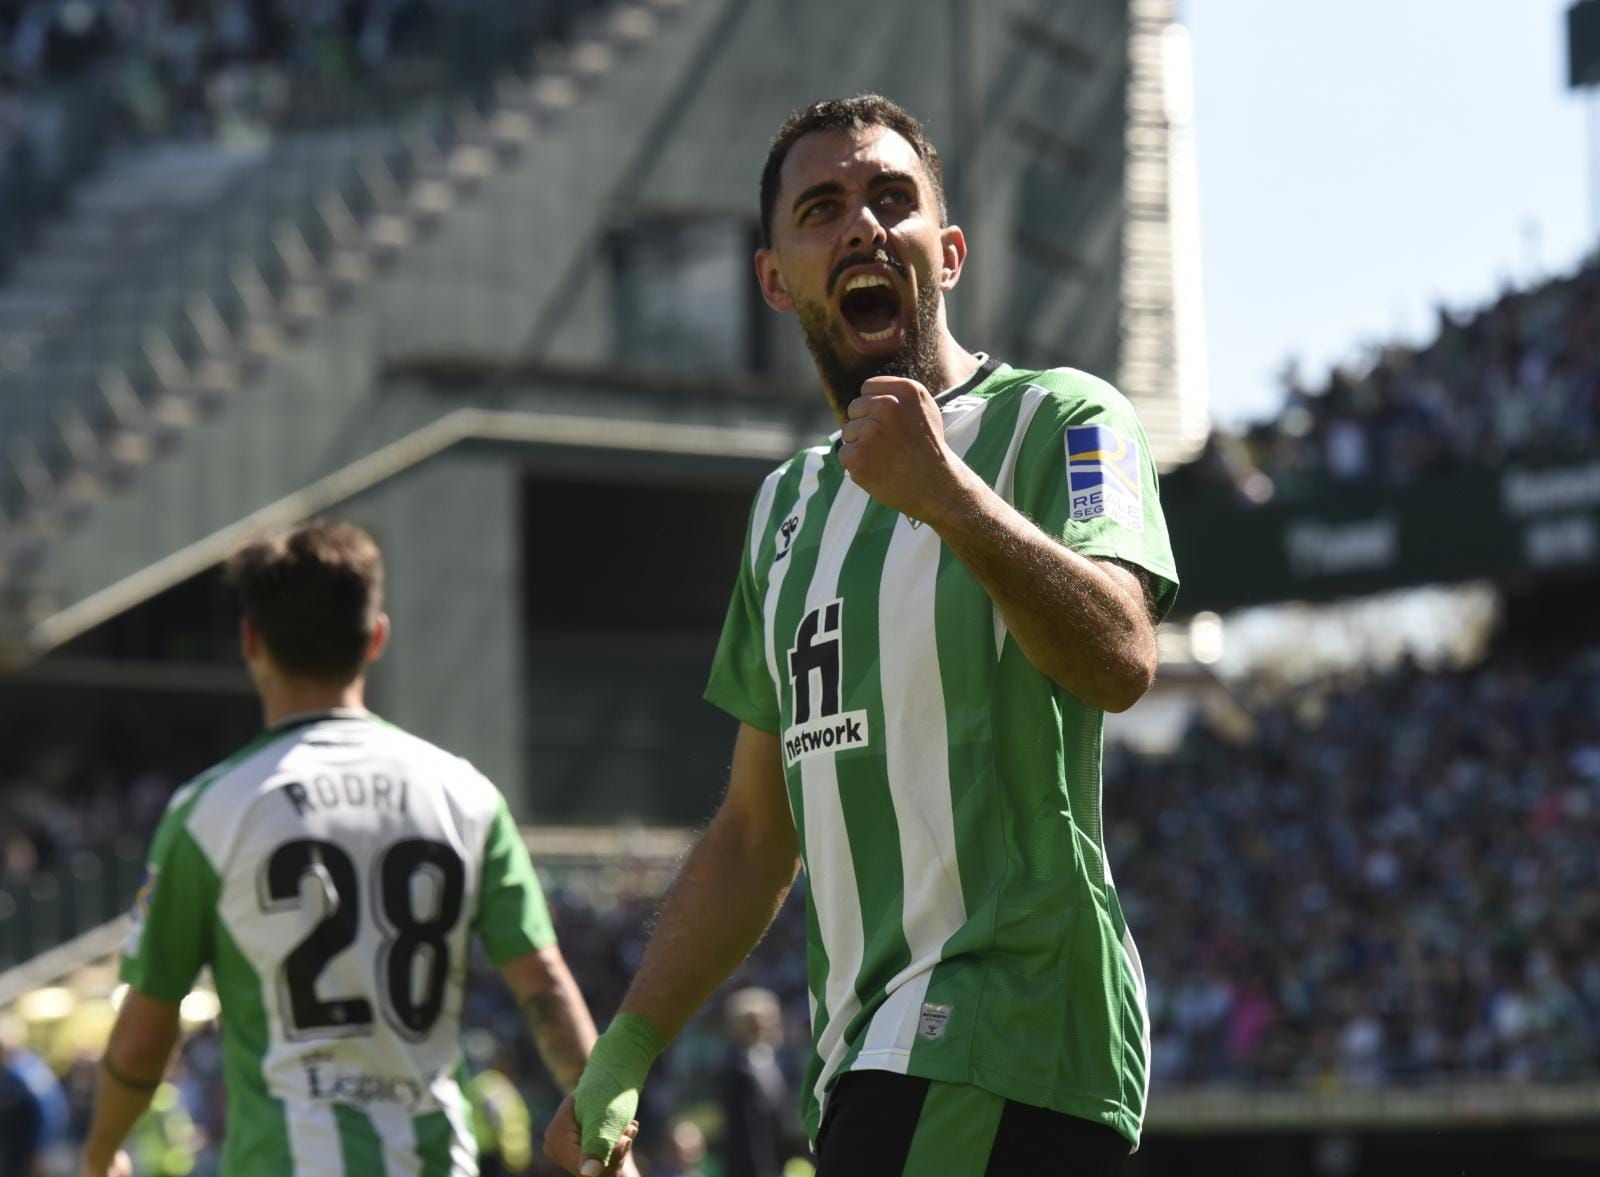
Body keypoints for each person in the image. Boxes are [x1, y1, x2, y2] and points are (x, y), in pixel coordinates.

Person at [544, 95, 1178, 1177]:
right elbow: (753, 832)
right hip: (860, 1056)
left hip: (1005, 1019)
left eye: (892, 198)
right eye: (822, 207)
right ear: (775, 278)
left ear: (950, 250)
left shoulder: (1063, 417)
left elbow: (1121, 656)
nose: (862, 227)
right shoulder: (784, 509)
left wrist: (951, 499)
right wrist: (625, 1049)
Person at [79, 521, 638, 1177]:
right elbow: (543, 983)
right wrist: (607, 1151)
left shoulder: (210, 810)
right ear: (376, 638)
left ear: (250, 640)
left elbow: (147, 1032)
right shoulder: (465, 794)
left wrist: (98, 1155)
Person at [716, 988, 794, 1177]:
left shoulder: (767, 1060)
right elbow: (747, 1134)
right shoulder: (737, 1068)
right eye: (769, 1019)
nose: (776, 1024)